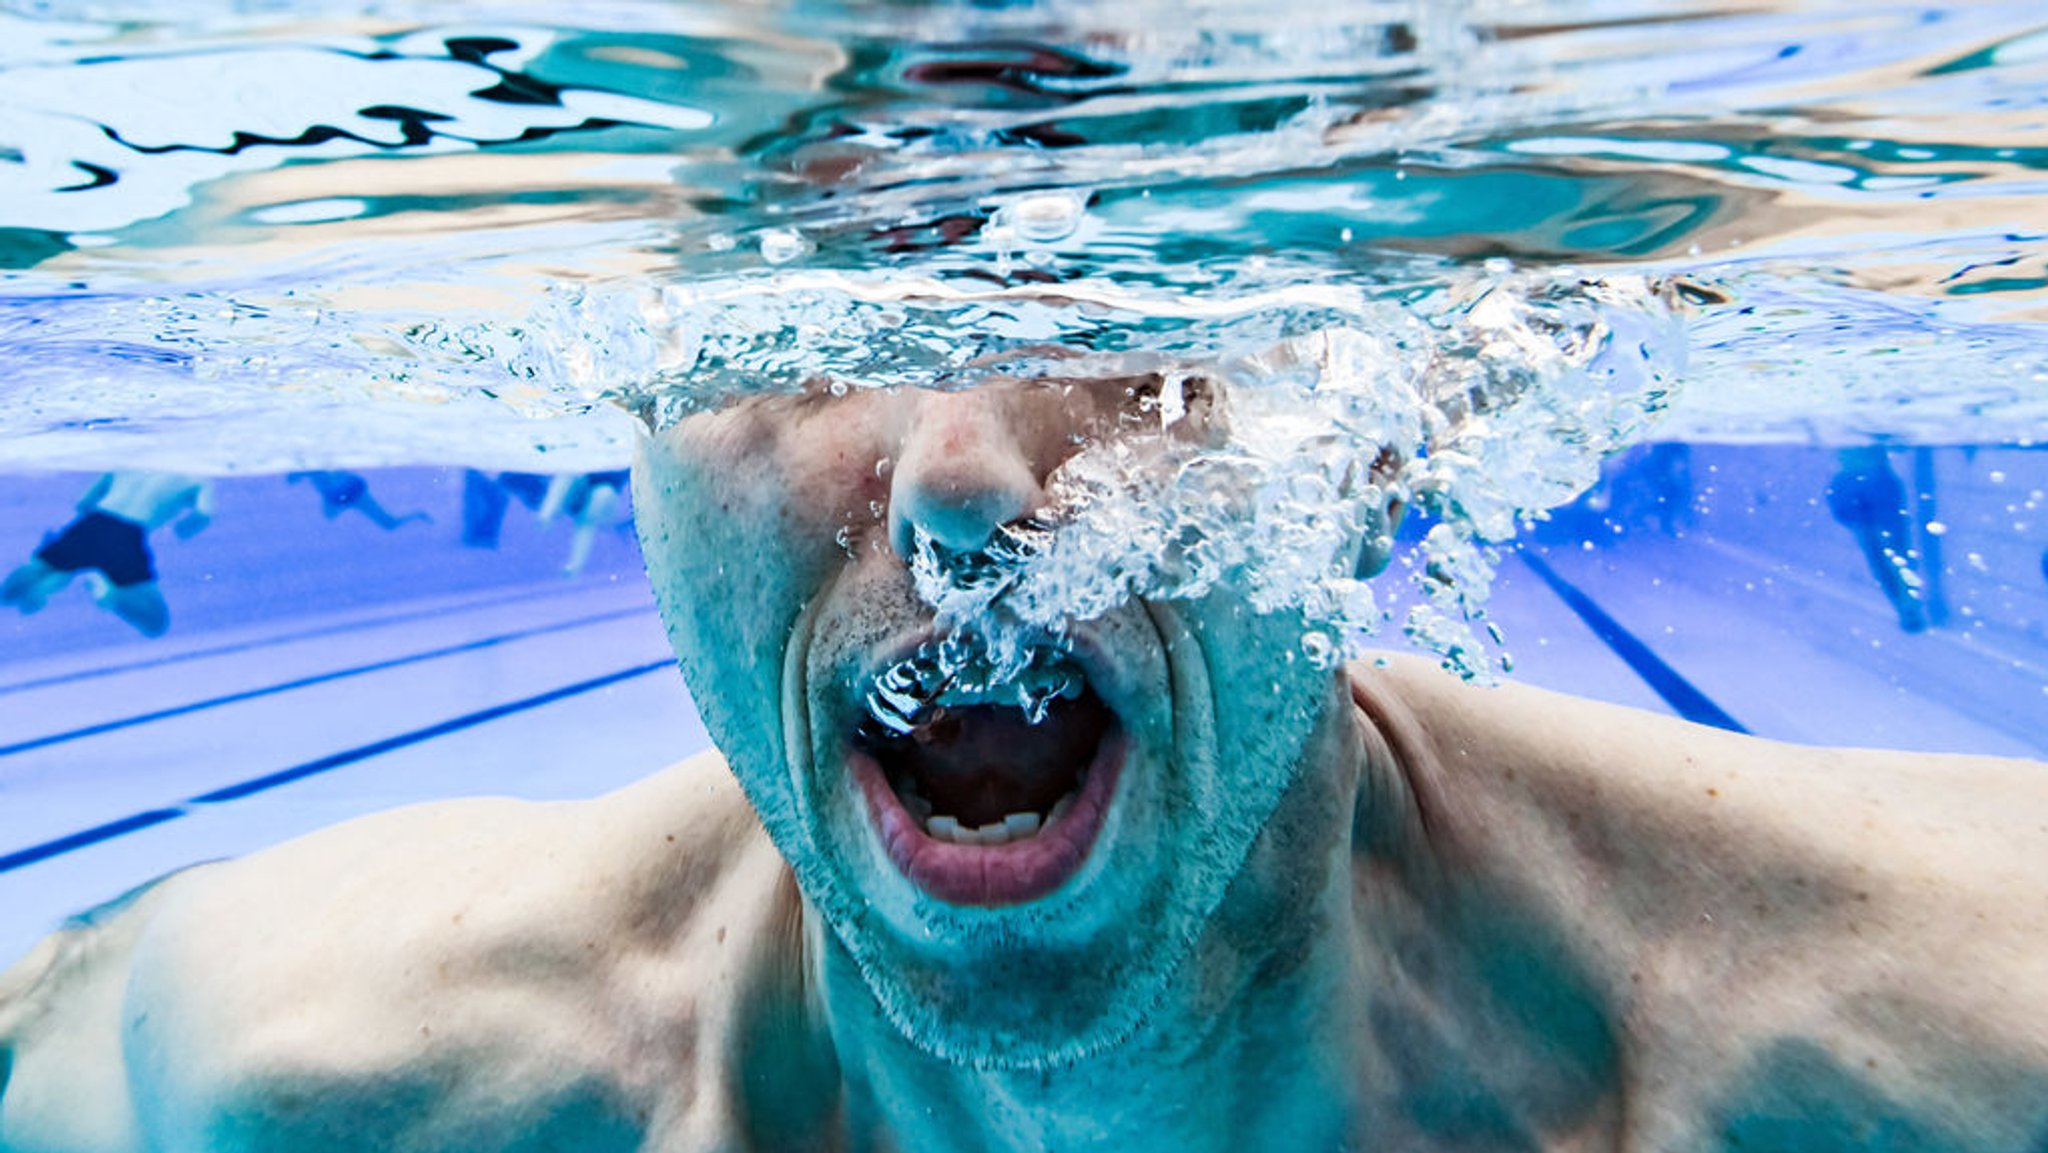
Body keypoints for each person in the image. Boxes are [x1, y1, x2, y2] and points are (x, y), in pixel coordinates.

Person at [2, 375, 2046, 1152]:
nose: (966, 482)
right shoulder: (344, 1076)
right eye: (815, 325)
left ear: (1388, 431)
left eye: (1136, 320)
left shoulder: (1953, 1047)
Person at [0, 471, 213, 638]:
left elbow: (84, 504)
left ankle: (39, 588)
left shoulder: (132, 460)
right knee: (156, 621)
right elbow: (198, 520)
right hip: (127, 537)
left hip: (92, 523)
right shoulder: (199, 477)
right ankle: (107, 593)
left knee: (34, 572)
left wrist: (68, 552)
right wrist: (182, 524)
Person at [1826, 446, 1928, 632]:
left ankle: (1905, 603)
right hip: (1872, 482)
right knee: (1893, 550)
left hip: (1856, 483)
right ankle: (1906, 602)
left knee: (1879, 553)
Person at [286, 470, 431, 530]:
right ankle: (419, 515)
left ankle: (419, 514)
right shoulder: (331, 497)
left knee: (388, 524)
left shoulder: (326, 483)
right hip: (349, 494)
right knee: (388, 524)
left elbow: (318, 473)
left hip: (353, 492)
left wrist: (298, 475)